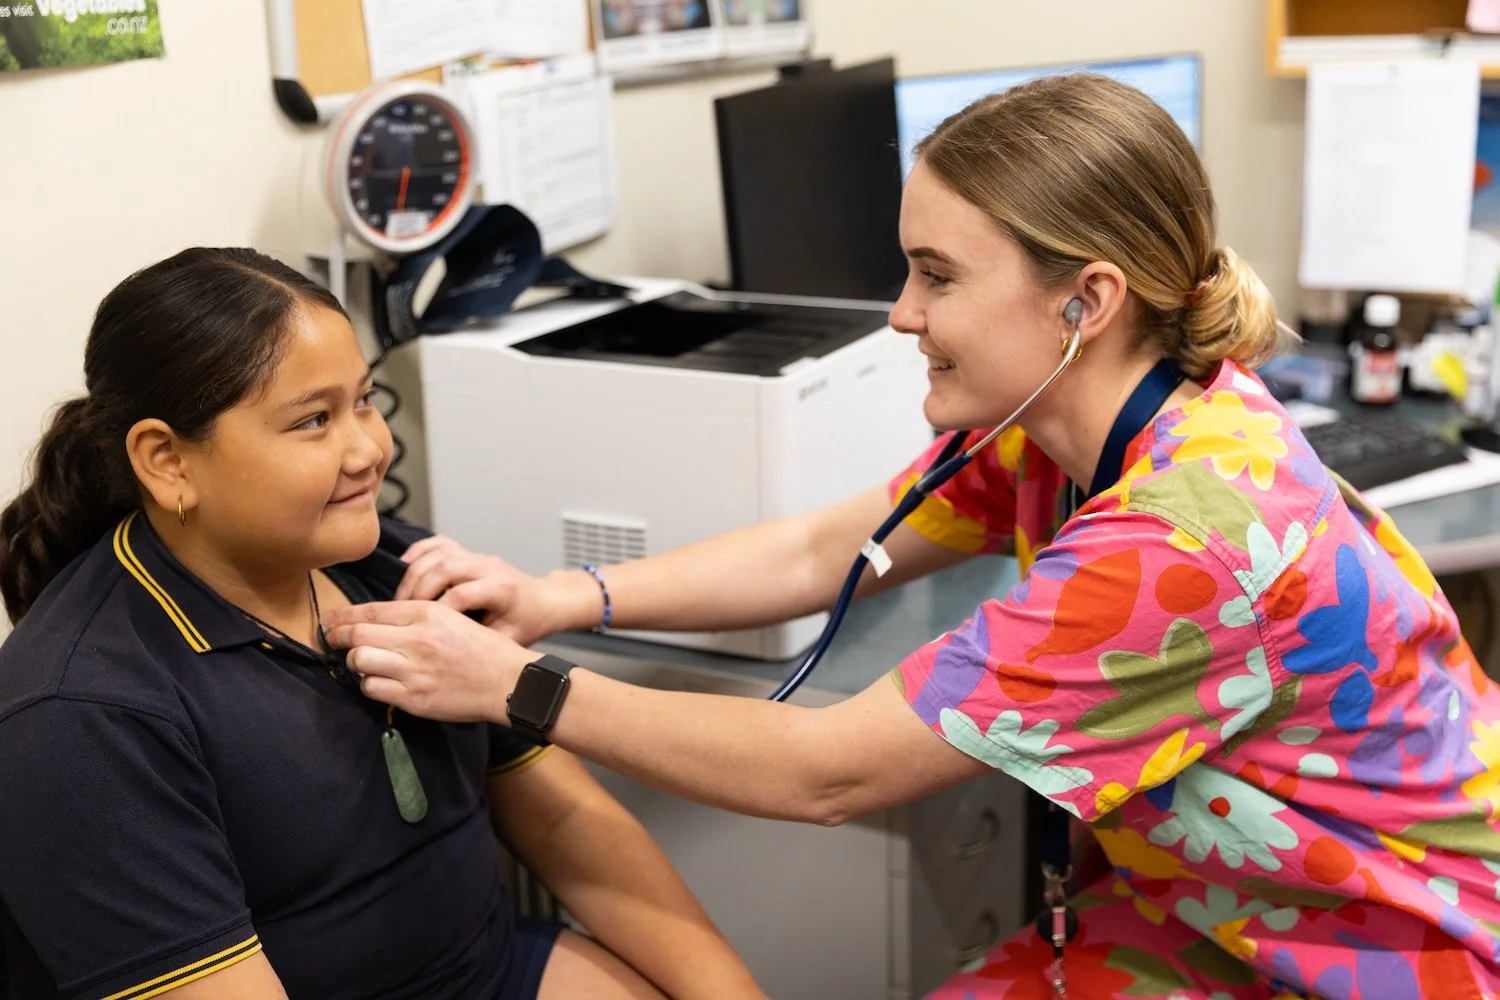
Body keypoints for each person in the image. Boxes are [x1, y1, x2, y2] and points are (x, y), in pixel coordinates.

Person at [325, 74, 1500, 999]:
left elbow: (830, 771)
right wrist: (557, 598)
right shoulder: (1065, 423)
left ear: (1083, 304)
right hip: (1212, 909)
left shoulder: (1182, 541)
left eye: (936, 275)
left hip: (1392, 951)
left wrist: (513, 686)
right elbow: (818, 551)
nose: (902, 315)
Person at [0, 249, 764, 1000]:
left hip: (492, 967)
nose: (370, 449)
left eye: (363, 400)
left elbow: (566, 817)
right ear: (167, 461)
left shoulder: (400, 569)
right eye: (312, 421)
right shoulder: (81, 717)